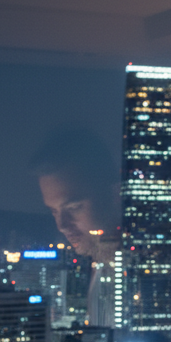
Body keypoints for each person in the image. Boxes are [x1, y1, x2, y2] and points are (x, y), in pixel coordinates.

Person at [31, 127, 122, 327]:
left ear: (115, 196)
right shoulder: (101, 264)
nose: (62, 225)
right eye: (54, 211)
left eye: (73, 207)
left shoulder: (137, 271)